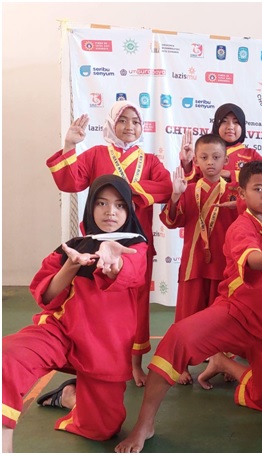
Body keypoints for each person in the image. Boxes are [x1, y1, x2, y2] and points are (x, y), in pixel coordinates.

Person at [115, 161, 262, 453]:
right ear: (242, 193)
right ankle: (144, 424)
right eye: (258, 189)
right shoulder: (240, 226)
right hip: (235, 315)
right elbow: (253, 260)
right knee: (177, 338)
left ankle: (223, 363)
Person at [2, 175, 148, 452]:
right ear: (90, 207)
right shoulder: (72, 246)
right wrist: (70, 266)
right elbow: (46, 297)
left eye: (119, 205)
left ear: (129, 210)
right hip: (61, 333)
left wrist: (113, 264)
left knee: (102, 429)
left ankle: (69, 396)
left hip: (104, 346)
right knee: (6, 357)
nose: (110, 211)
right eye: (101, 203)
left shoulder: (134, 245)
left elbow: (132, 273)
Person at [46, 101, 172, 387]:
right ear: (112, 124)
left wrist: (128, 192)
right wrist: (69, 146)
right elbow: (69, 182)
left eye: (135, 122)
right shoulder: (95, 154)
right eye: (123, 120)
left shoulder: (149, 161)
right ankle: (92, 360)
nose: (129, 127)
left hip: (134, 244)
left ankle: (134, 364)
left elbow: (165, 187)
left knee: (137, 302)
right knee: (95, 301)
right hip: (97, 241)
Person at [159, 134, 240, 384]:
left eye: (216, 157)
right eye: (204, 157)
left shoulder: (234, 192)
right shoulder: (188, 189)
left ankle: (224, 362)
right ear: (196, 160)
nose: (210, 162)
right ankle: (180, 365)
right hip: (193, 264)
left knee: (223, 318)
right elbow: (171, 221)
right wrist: (175, 196)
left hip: (224, 265)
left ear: (225, 161)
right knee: (187, 317)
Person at [180, 103, 262, 184]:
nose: (230, 127)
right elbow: (190, 185)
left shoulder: (251, 155)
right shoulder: (204, 152)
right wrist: (187, 163)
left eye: (236, 122)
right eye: (224, 121)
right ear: (217, 125)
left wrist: (230, 174)